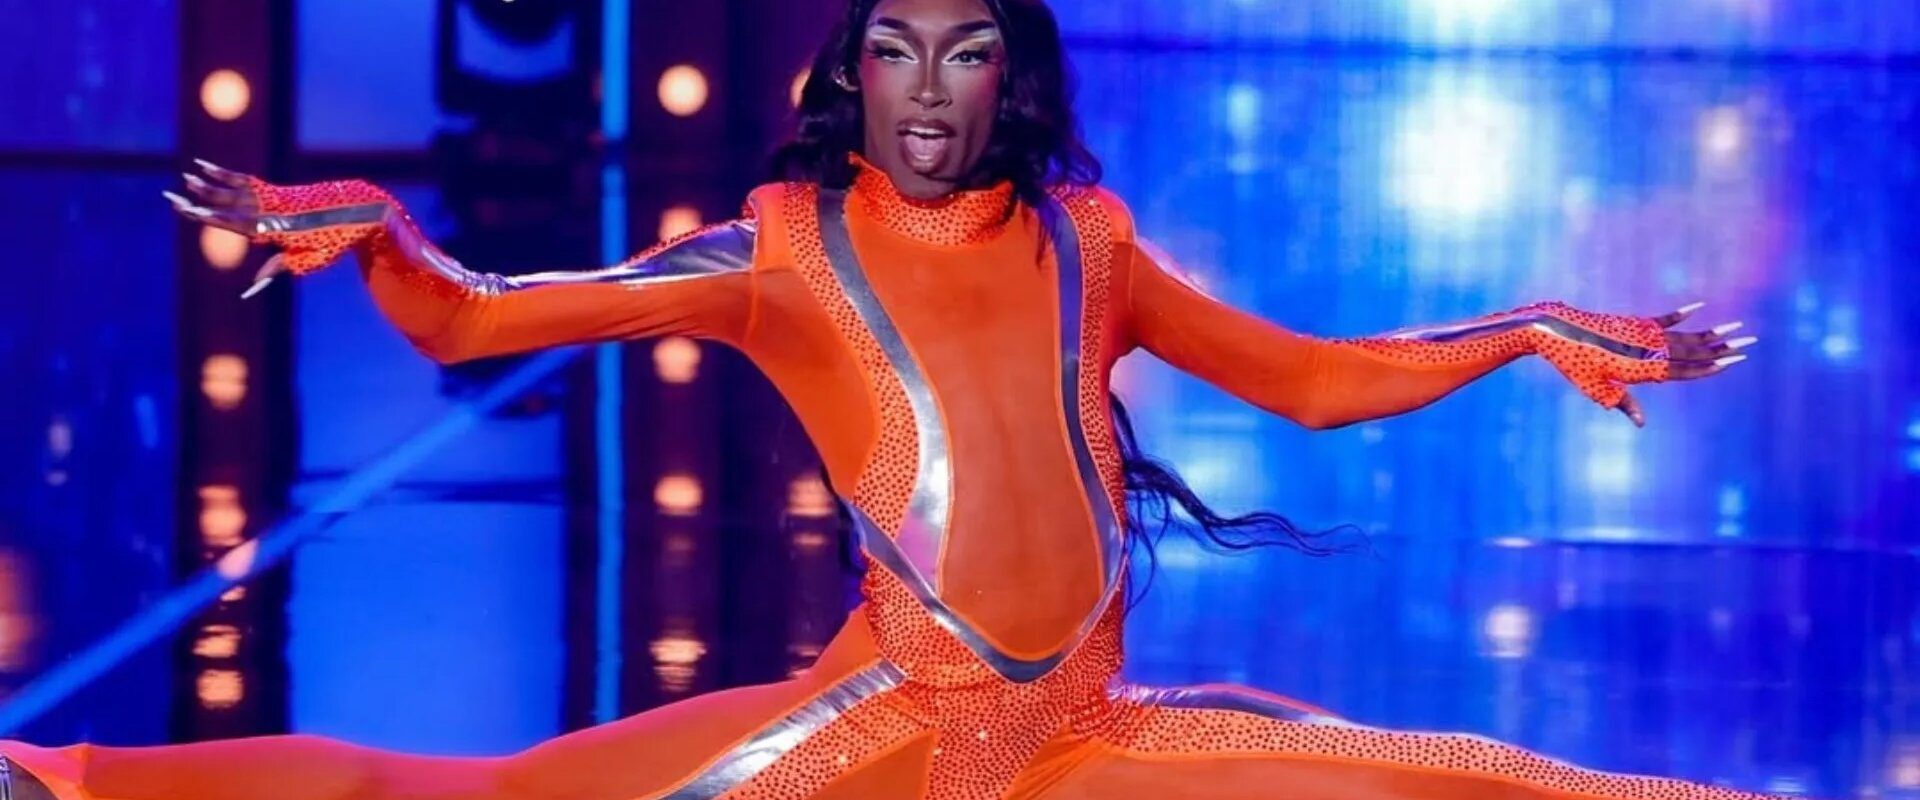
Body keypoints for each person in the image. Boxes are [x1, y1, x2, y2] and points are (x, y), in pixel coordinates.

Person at [2, 0, 1765, 798]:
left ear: (1011, 74)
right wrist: (384, 234)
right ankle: (61, 779)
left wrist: (1531, 325)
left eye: (967, 49)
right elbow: (478, 324)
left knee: (1470, 783)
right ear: (854, 71)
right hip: (863, 738)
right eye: (897, 50)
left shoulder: (1088, 243)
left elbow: (1304, 381)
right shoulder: (784, 249)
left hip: (1080, 740)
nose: (930, 88)